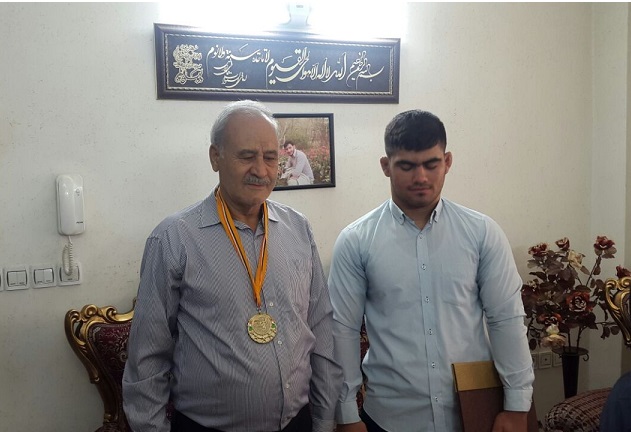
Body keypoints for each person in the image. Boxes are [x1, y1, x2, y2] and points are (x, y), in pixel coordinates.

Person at [122, 100, 342, 432]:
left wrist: (324, 420)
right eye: (246, 156)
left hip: (297, 424)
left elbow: (320, 327)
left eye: (270, 157)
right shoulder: (173, 238)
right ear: (216, 157)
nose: (261, 170)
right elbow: (147, 355)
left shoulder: (299, 229)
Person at [328, 109, 534, 432]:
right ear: (386, 166)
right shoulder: (356, 241)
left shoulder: (481, 233)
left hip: (473, 414)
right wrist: (346, 414)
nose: (421, 177)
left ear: (447, 161)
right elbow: (343, 330)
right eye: (407, 166)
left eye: (431, 164)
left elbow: (506, 318)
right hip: (389, 418)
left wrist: (517, 405)